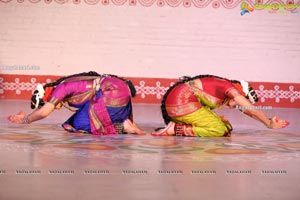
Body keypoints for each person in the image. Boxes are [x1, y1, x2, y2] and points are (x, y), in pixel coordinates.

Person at [8, 71, 146, 135]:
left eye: (46, 103)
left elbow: (44, 112)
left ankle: (123, 126)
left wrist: (26, 119)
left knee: (74, 124)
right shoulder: (67, 84)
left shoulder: (61, 88)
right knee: (82, 115)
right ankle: (125, 122)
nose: (54, 107)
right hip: (120, 91)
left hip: (111, 93)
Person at [151, 75, 289, 137]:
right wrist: (269, 123)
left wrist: (267, 120)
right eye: (238, 102)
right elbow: (250, 109)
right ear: (242, 92)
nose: (234, 106)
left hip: (182, 104)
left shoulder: (226, 86)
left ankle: (175, 127)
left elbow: (247, 110)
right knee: (218, 129)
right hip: (182, 102)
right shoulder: (229, 87)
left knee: (226, 127)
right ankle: (175, 129)